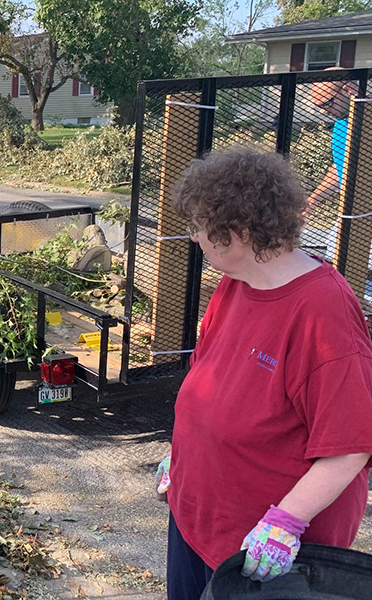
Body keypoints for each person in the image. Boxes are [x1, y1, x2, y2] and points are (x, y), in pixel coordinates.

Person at [155, 146, 372, 600]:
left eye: (198, 227)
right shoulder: (235, 286)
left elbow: (351, 445)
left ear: (237, 232)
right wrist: (181, 457)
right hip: (197, 519)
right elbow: (207, 379)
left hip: (264, 551)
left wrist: (286, 521)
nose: (194, 238)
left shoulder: (322, 311)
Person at [307, 70, 359, 213]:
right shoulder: (340, 125)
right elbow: (341, 168)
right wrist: (313, 199)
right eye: (319, 107)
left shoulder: (366, 119)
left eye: (327, 103)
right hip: (353, 210)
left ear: (348, 90)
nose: (324, 112)